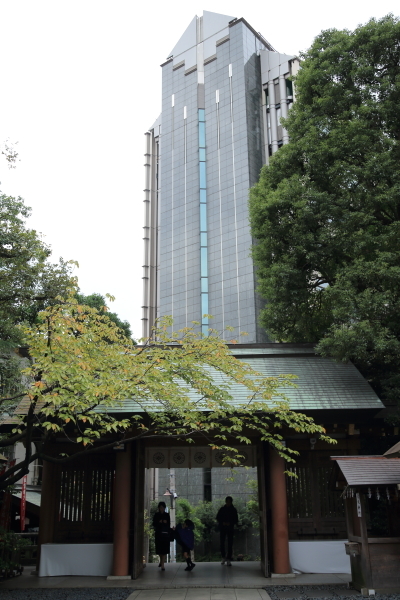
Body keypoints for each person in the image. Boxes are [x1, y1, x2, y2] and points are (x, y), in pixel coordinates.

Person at [216, 496, 238, 566]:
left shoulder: (233, 510)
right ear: (225, 502)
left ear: (231, 502)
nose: (228, 503)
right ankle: (223, 557)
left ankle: (228, 558)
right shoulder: (222, 509)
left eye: (229, 502)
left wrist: (230, 523)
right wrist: (223, 522)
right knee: (222, 543)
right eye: (227, 502)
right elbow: (218, 517)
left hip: (230, 528)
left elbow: (236, 520)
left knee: (230, 543)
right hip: (223, 528)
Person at [153, 501, 170, 571]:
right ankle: (161, 561)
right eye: (160, 507)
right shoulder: (156, 515)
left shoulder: (167, 515)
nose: (162, 509)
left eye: (163, 507)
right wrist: (158, 522)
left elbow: (169, 524)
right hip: (158, 534)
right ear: (159, 508)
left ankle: (162, 565)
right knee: (160, 550)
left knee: (164, 550)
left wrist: (165, 522)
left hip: (165, 534)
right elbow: (154, 524)